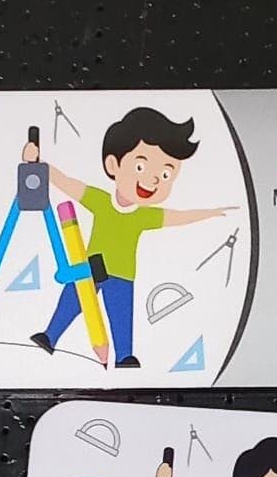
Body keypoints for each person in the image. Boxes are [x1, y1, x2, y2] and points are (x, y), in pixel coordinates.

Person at [28, 106, 235, 367]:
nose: (153, 180)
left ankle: (124, 355)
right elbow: (67, 183)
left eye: (166, 174)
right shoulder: (101, 201)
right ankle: (50, 336)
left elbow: (178, 217)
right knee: (71, 301)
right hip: (89, 267)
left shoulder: (143, 216)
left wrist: (210, 213)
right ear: (113, 165)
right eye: (140, 165)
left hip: (123, 274)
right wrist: (38, 163)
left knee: (121, 316)